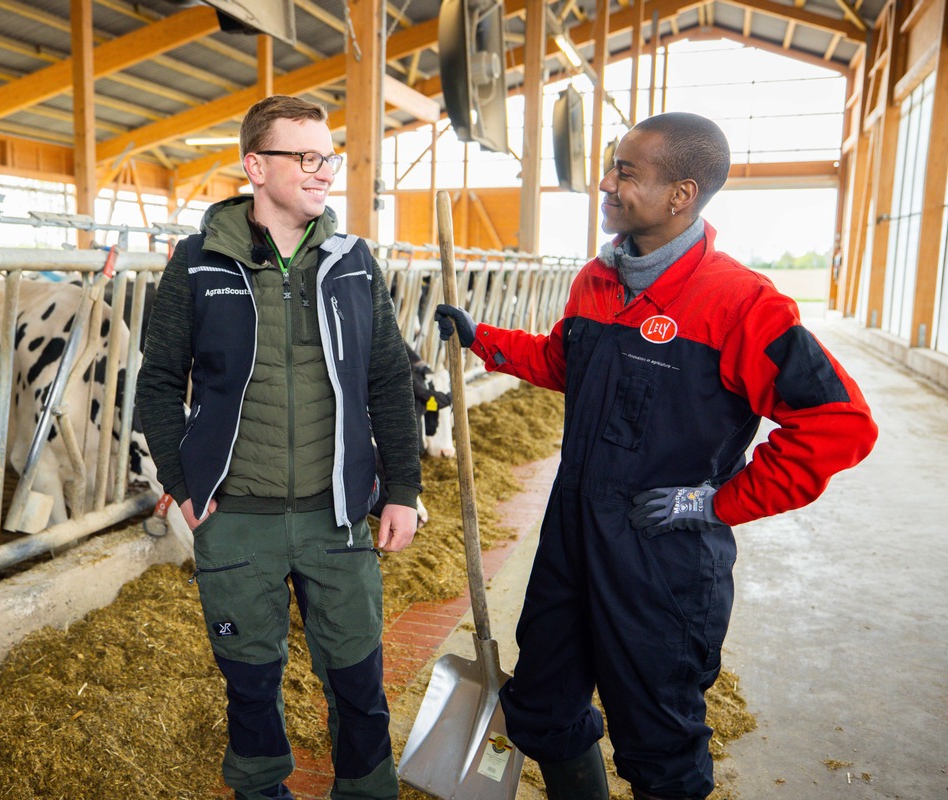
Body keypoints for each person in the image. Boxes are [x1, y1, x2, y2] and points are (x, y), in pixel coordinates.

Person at [434, 112, 877, 800]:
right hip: (572, 537)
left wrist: (718, 501)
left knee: (659, 746)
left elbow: (840, 425)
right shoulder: (596, 281)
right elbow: (564, 360)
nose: (606, 184)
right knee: (541, 710)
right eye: (612, 167)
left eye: (626, 173)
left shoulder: (743, 303)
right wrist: (482, 339)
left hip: (661, 559)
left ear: (682, 194)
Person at [135, 94, 422, 800]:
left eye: (328, 157)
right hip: (236, 518)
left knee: (357, 678)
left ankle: (366, 788)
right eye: (305, 157)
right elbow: (159, 382)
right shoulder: (198, 263)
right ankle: (261, 788)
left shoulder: (353, 262)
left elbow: (388, 380)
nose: (323, 171)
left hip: (337, 517)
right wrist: (184, 481)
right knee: (250, 680)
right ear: (254, 166)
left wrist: (404, 492)